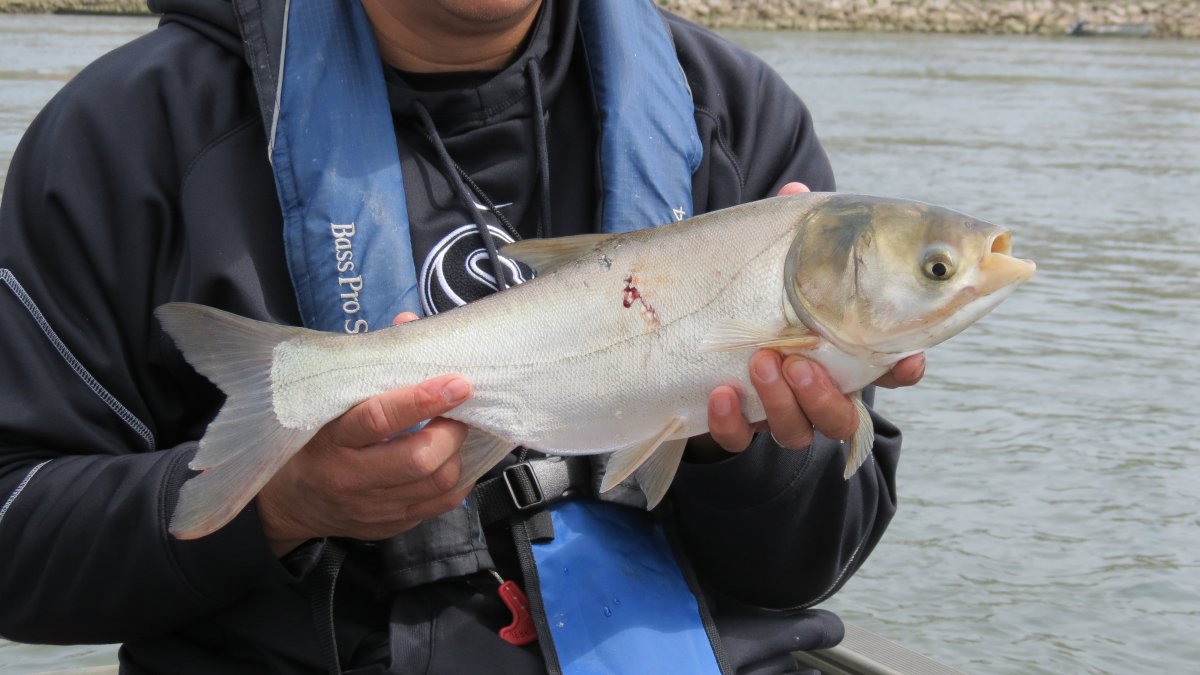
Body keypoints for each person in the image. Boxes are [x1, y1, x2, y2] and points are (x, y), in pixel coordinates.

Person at [0, 0, 924, 672]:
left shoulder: (732, 115)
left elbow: (811, 563)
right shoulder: (129, 133)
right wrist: (282, 507)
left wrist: (743, 448)